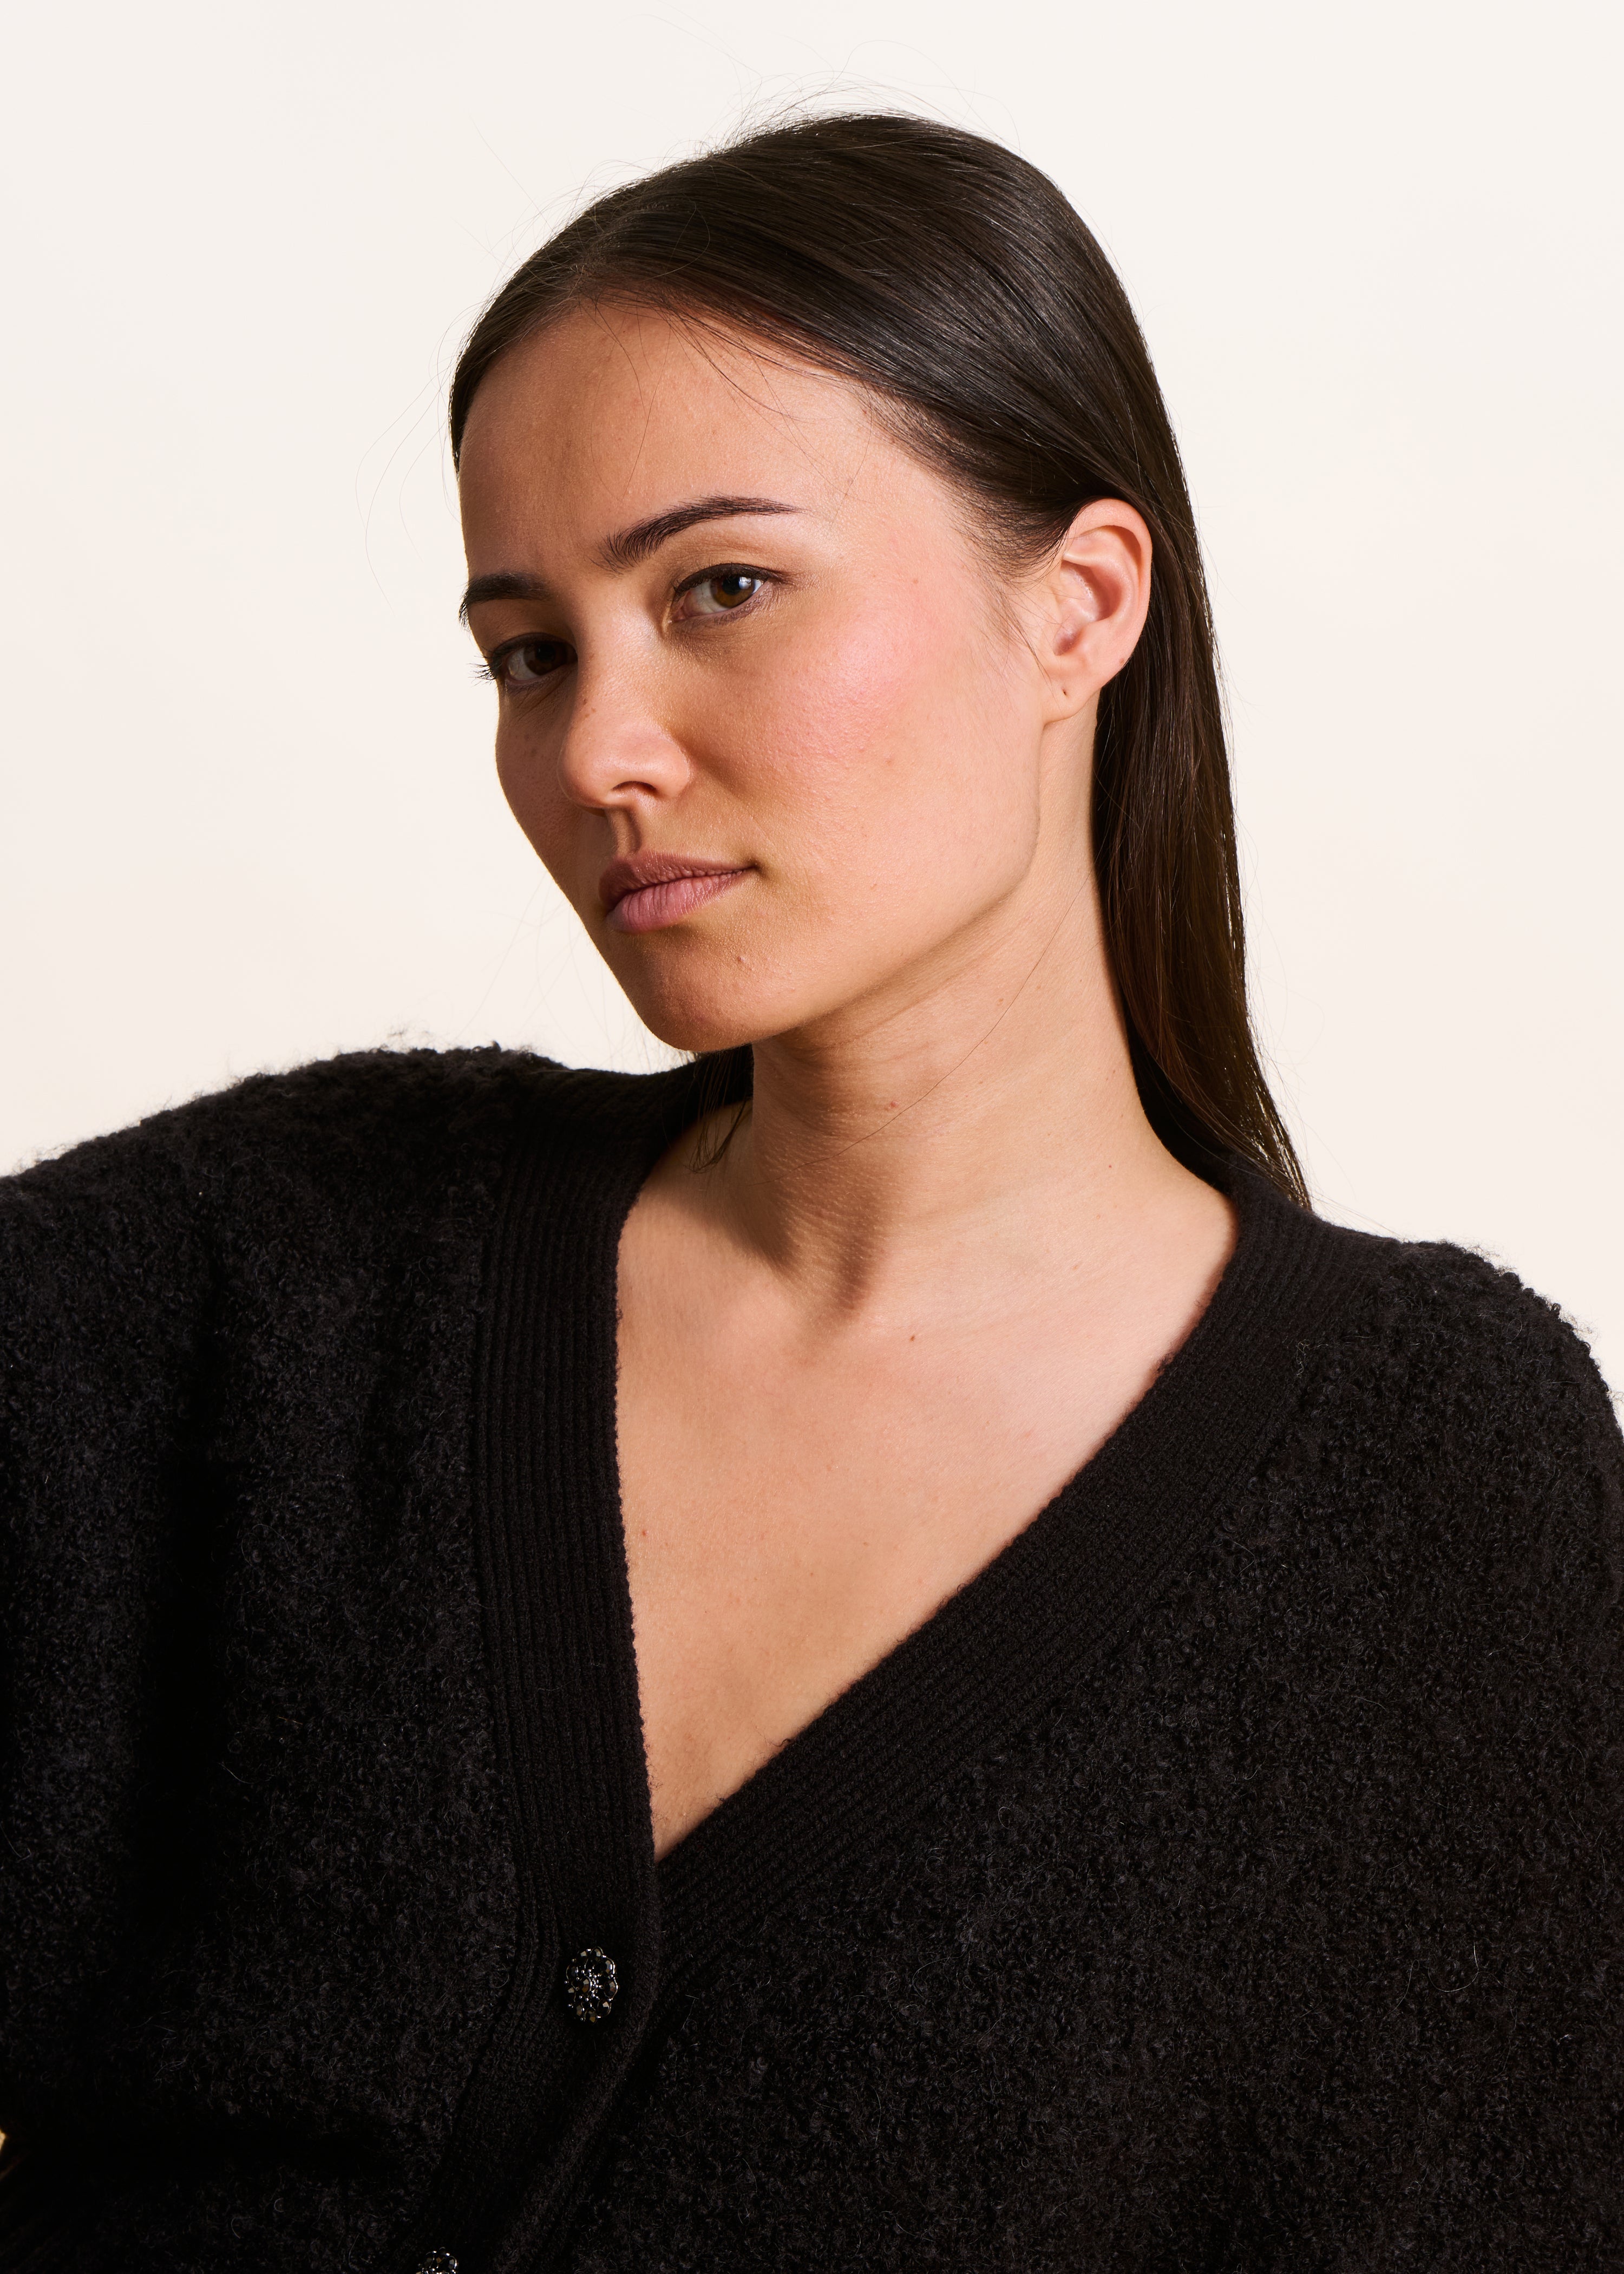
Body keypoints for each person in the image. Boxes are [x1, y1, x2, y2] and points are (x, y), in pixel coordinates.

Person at [1, 112, 1618, 2274]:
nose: (597, 751)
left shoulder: (1435, 1477)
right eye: (531, 651)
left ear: (1079, 604)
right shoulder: (275, 1272)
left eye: (721, 592)